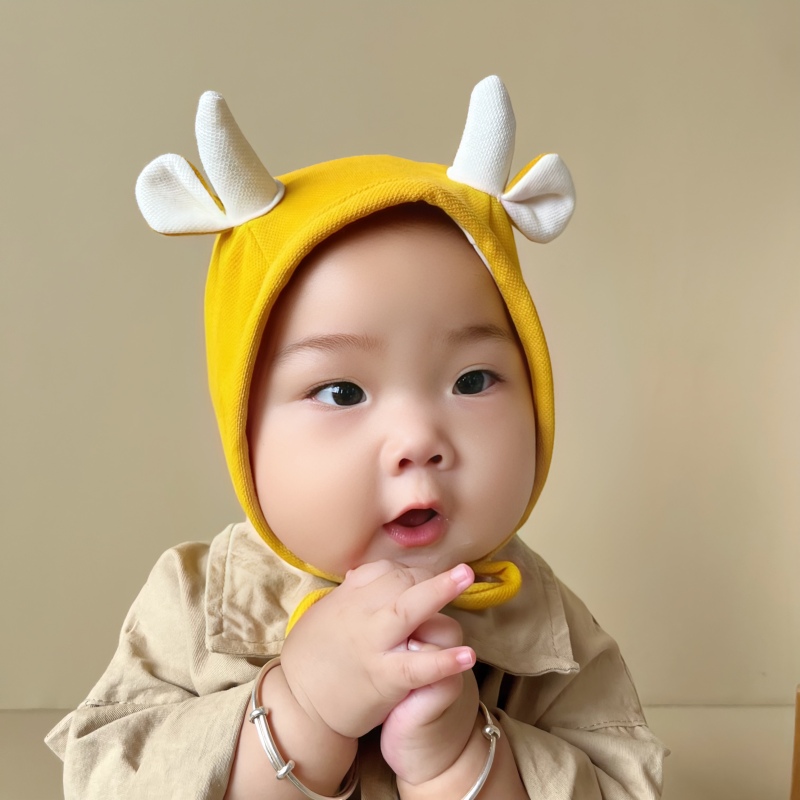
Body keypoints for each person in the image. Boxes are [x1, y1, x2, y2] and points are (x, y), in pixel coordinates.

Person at [46, 76, 668, 799]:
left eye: (472, 380)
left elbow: (626, 782)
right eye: (342, 392)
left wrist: (462, 760)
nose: (418, 439)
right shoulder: (191, 605)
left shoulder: (548, 624)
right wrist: (300, 714)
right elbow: (106, 776)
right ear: (244, 434)